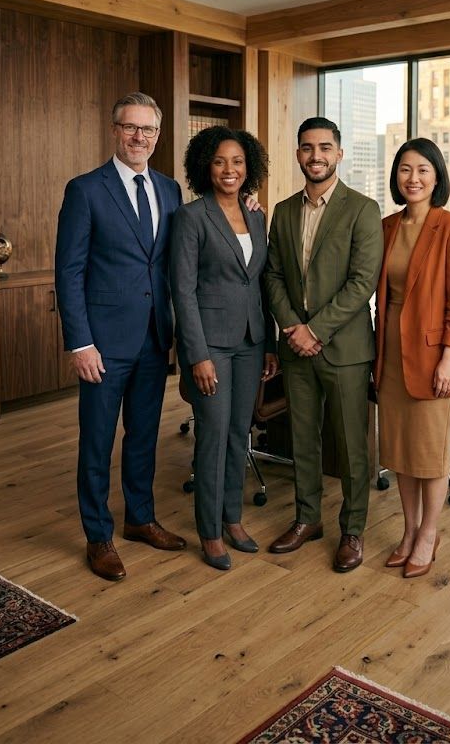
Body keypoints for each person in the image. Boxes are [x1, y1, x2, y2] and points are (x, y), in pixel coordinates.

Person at [55, 92, 186, 581]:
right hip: (103, 345)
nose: (139, 137)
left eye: (148, 130)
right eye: (130, 128)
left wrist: (247, 204)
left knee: (144, 436)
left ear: (157, 135)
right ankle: (98, 535)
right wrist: (80, 343)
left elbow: (183, 250)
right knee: (96, 442)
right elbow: (69, 273)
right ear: (115, 131)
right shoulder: (86, 190)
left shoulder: (171, 190)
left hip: (154, 339)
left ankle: (140, 518)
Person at [264, 117, 383, 572]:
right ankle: (306, 518)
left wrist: (317, 330)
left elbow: (362, 283)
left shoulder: (362, 209)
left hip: (345, 349)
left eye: (325, 147)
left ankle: (352, 530)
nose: (316, 155)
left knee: (352, 446)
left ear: (339, 154)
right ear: (298, 154)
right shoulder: (284, 210)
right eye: (308, 148)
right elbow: (274, 275)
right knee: (303, 440)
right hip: (296, 347)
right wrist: (294, 326)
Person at [170, 126, 278, 571]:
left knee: (239, 434)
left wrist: (269, 342)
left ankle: (232, 517)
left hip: (252, 342)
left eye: (237, 161)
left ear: (248, 166)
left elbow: (261, 285)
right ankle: (210, 532)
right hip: (211, 345)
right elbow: (183, 290)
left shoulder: (257, 215)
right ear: (205, 167)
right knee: (212, 438)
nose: (229, 169)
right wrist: (196, 355)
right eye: (219, 161)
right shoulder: (191, 218)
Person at [375, 137, 450, 579]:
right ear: (396, 177)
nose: (412, 179)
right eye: (404, 170)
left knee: (430, 453)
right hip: (391, 353)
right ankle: (409, 530)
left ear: (437, 177)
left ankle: (429, 534)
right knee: (400, 450)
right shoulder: (387, 226)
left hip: (435, 355)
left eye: (422, 170)